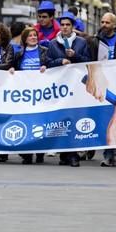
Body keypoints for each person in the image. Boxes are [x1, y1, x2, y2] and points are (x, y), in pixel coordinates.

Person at [87, 12, 116, 167]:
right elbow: (90, 61)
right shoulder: (95, 41)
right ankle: (108, 155)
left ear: (114, 24)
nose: (104, 25)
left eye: (107, 22)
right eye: (102, 22)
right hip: (103, 84)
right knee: (106, 118)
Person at [46, 12, 91, 167]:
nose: (65, 28)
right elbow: (47, 62)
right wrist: (61, 60)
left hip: (76, 87)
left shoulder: (81, 42)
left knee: (73, 118)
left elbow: (88, 61)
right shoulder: (53, 44)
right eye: (62, 25)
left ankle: (73, 155)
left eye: (68, 25)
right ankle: (65, 154)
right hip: (59, 87)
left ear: (72, 27)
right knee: (62, 119)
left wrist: (75, 55)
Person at [9, 27, 50, 164]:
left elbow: (51, 65)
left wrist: (46, 67)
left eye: (35, 35)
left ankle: (40, 153)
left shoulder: (44, 52)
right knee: (26, 122)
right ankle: (26, 154)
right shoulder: (19, 53)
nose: (33, 37)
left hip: (40, 94)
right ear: (25, 39)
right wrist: (12, 69)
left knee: (40, 122)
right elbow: (13, 66)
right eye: (30, 36)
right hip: (24, 95)